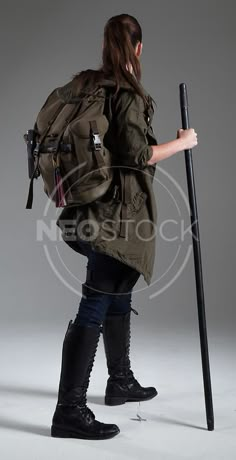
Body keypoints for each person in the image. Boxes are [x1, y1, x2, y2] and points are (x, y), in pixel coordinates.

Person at [51, 13, 198, 441]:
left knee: (118, 289)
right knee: (96, 302)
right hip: (113, 217)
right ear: (138, 48)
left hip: (97, 210)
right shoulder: (125, 93)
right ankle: (69, 411)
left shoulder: (93, 84)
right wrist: (182, 143)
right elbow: (136, 155)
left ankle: (119, 382)